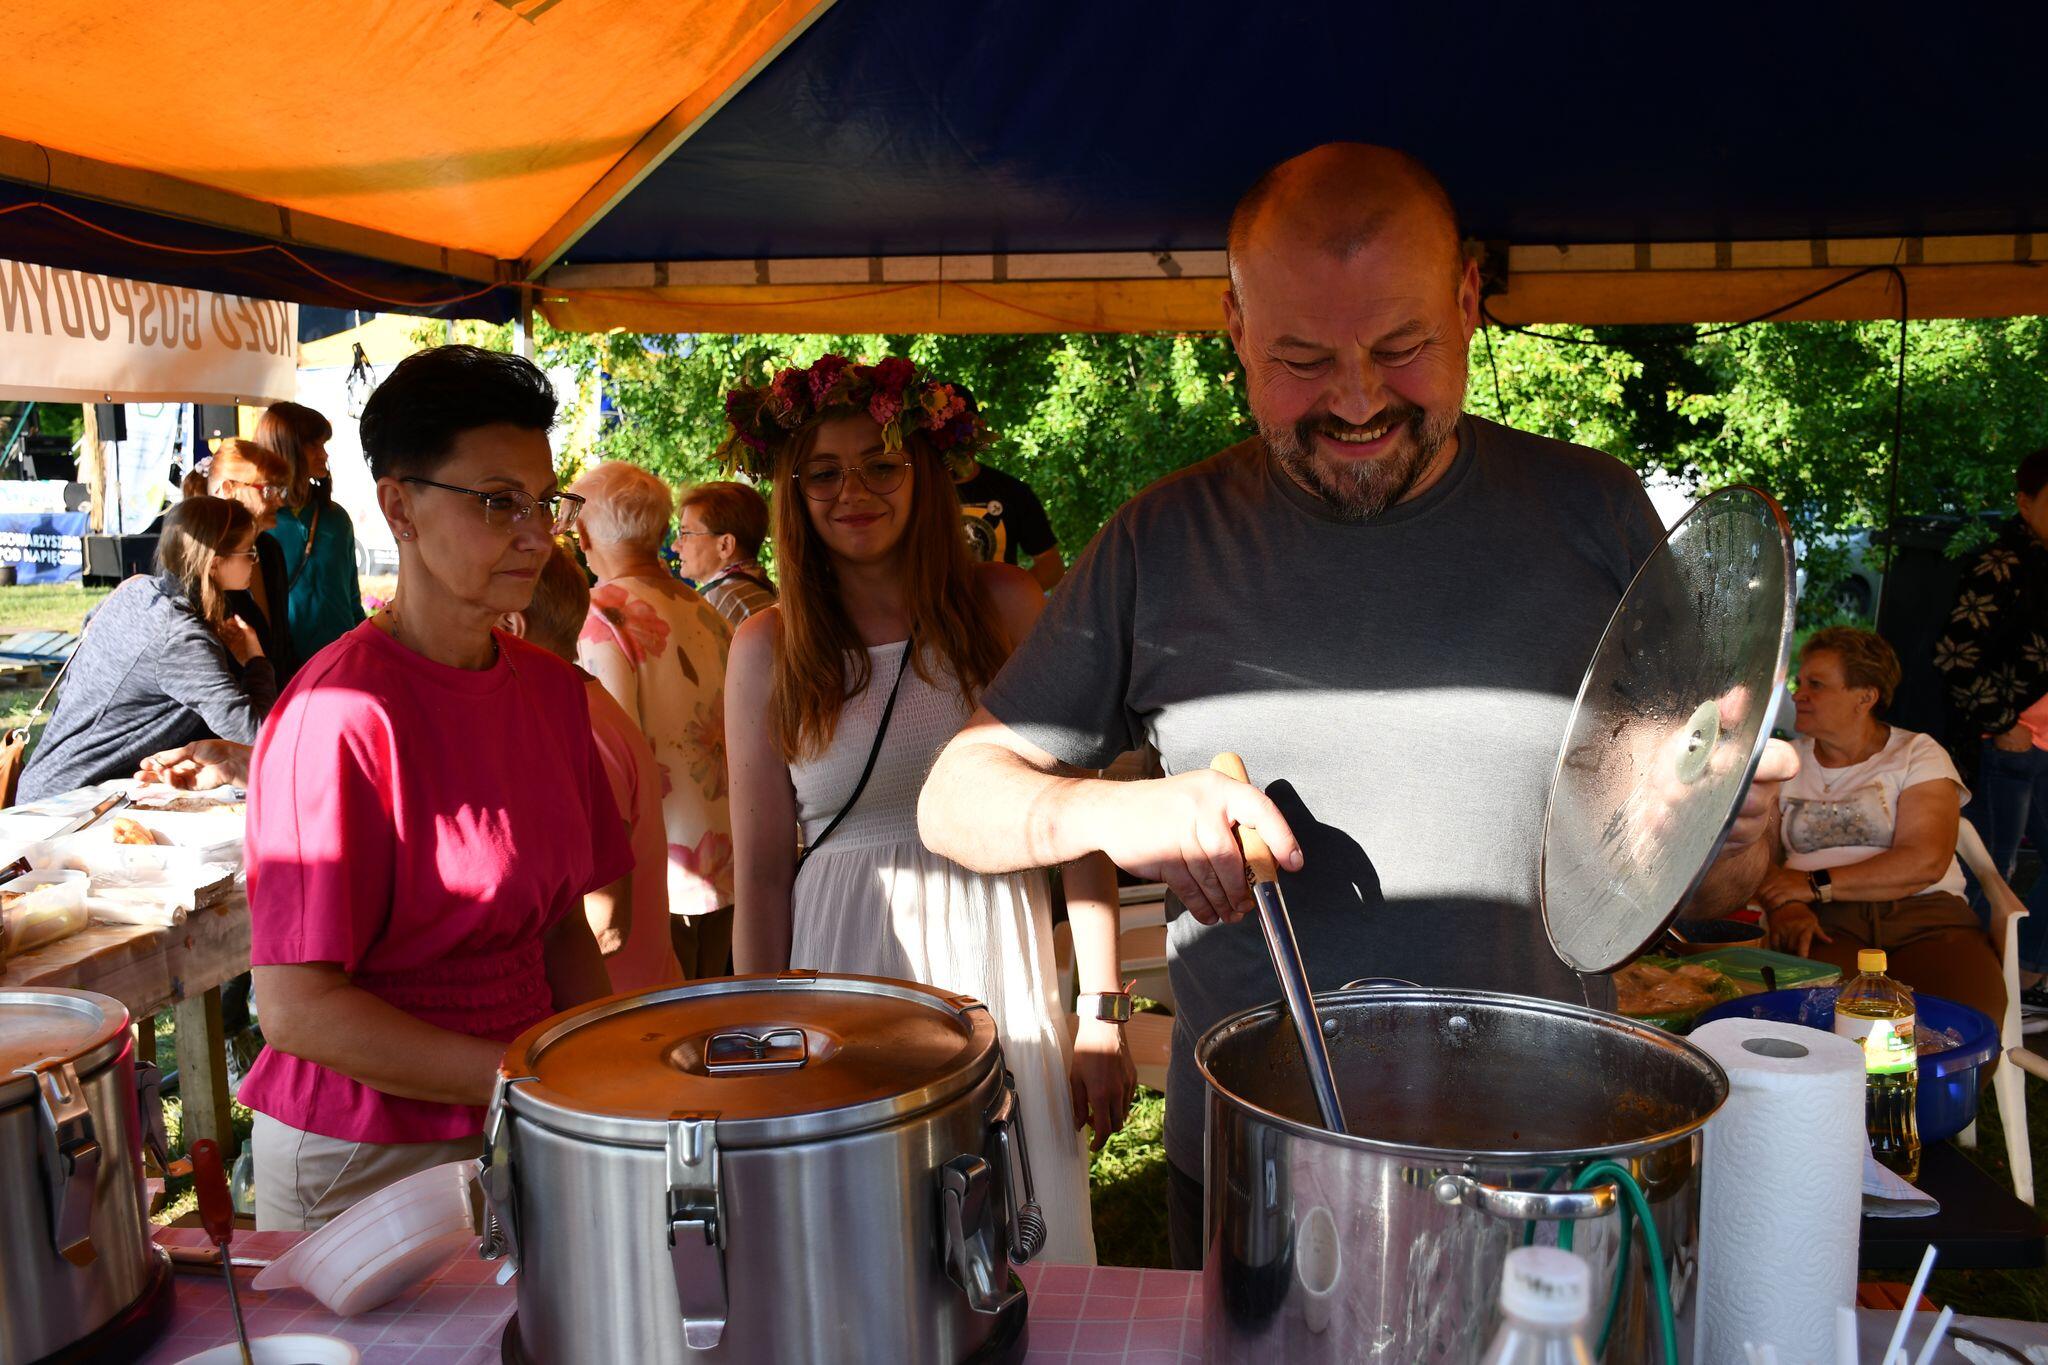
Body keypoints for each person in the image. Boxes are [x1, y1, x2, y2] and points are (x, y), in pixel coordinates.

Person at [916, 143, 1796, 1270]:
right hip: (1257, 1177)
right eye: (1301, 360)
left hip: (1541, 1162)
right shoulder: (1161, 541)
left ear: (1467, 301)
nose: (1356, 399)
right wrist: (1107, 811)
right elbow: (955, 798)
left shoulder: (1596, 513)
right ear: (1234, 326)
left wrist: (1722, 832)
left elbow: (1689, 877)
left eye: (1399, 348)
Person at [722, 354, 1131, 1265]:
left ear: (925, 473)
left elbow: (1079, 821)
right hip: (840, 976)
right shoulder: (767, 645)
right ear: (793, 492)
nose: (852, 491)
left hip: (996, 954)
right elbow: (761, 871)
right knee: (863, 1257)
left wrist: (1101, 1010)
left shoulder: (1005, 606)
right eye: (823, 473)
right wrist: (765, 1044)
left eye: (880, 464)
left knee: (1021, 1235)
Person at [237, 345, 627, 1230]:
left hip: (522, 1113)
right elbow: (298, 1009)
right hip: (366, 1151)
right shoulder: (337, 712)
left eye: (544, 502)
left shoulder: (552, 690)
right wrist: (530, 1074)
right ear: (399, 507)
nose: (536, 534)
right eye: (498, 501)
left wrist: (606, 1076)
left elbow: (563, 925)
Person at [1759, 628, 2006, 1026]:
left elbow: (1924, 861)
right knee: (1819, 1021)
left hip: (1926, 916)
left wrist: (1811, 884)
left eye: (1816, 685)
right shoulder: (1785, 761)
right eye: (1799, 683)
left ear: (1866, 696)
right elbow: (1757, 856)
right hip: (1824, 921)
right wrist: (1785, 906)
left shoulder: (1916, 753)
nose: (1798, 695)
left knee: (1966, 1023)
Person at [568, 461, 737, 979]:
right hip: (727, 858)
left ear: (585, 533)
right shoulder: (704, 608)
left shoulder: (600, 614)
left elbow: (613, 757)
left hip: (660, 870)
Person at [19, 497, 274, 801]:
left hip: (53, 786)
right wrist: (255, 660)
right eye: (249, 552)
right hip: (72, 803)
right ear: (215, 562)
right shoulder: (179, 637)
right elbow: (253, 735)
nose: (255, 561)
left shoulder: (135, 591)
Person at [515, 542, 679, 994]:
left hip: (619, 1008)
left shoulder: (579, 723)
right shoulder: (580, 707)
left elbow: (603, 923)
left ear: (511, 625)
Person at [1933, 447, 2048, 1009]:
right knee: (1990, 873)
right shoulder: (2000, 563)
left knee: (1999, 873)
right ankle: (1971, 999)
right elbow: (1953, 655)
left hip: (2039, 745)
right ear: (2025, 502)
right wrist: (2003, 723)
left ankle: (2020, 977)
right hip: (2010, 745)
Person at [259, 400, 367, 662]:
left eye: (324, 445)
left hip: (341, 662)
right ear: (286, 448)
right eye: (313, 445)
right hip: (284, 668)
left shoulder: (336, 518)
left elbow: (352, 600)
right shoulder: (258, 525)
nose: (324, 455)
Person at [186, 437, 299, 684]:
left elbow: (282, 643)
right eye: (268, 490)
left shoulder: (270, 550)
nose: (279, 501)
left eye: (280, 490)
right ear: (228, 489)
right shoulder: (197, 561)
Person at [951, 408, 1064, 590]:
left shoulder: (1012, 491)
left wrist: (1008, 597)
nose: (953, 442)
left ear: (978, 431)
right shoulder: (915, 491)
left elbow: (1051, 567)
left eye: (961, 430)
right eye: (946, 434)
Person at [676, 480, 777, 625]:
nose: (675, 546)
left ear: (725, 545)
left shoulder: (717, 603)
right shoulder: (768, 593)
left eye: (686, 533)